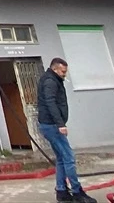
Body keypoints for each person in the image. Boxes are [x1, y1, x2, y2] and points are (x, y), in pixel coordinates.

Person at [36, 57, 96, 203]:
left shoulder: (51, 79)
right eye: (63, 71)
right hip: (52, 125)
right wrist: (60, 124)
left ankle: (62, 191)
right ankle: (77, 192)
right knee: (69, 158)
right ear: (55, 69)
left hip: (49, 124)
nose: (65, 74)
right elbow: (50, 102)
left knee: (62, 159)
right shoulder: (50, 81)